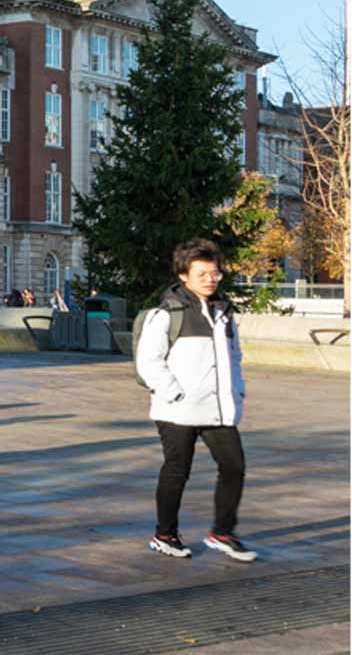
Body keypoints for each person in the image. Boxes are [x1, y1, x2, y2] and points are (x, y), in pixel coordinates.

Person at [139, 239, 255, 562]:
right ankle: (165, 534)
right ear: (184, 275)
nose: (210, 279)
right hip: (177, 409)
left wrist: (238, 389)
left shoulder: (224, 312)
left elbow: (235, 356)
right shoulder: (168, 313)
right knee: (178, 470)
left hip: (217, 408)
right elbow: (148, 361)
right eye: (202, 273)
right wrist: (175, 392)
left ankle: (222, 532)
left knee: (234, 466)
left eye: (215, 273)